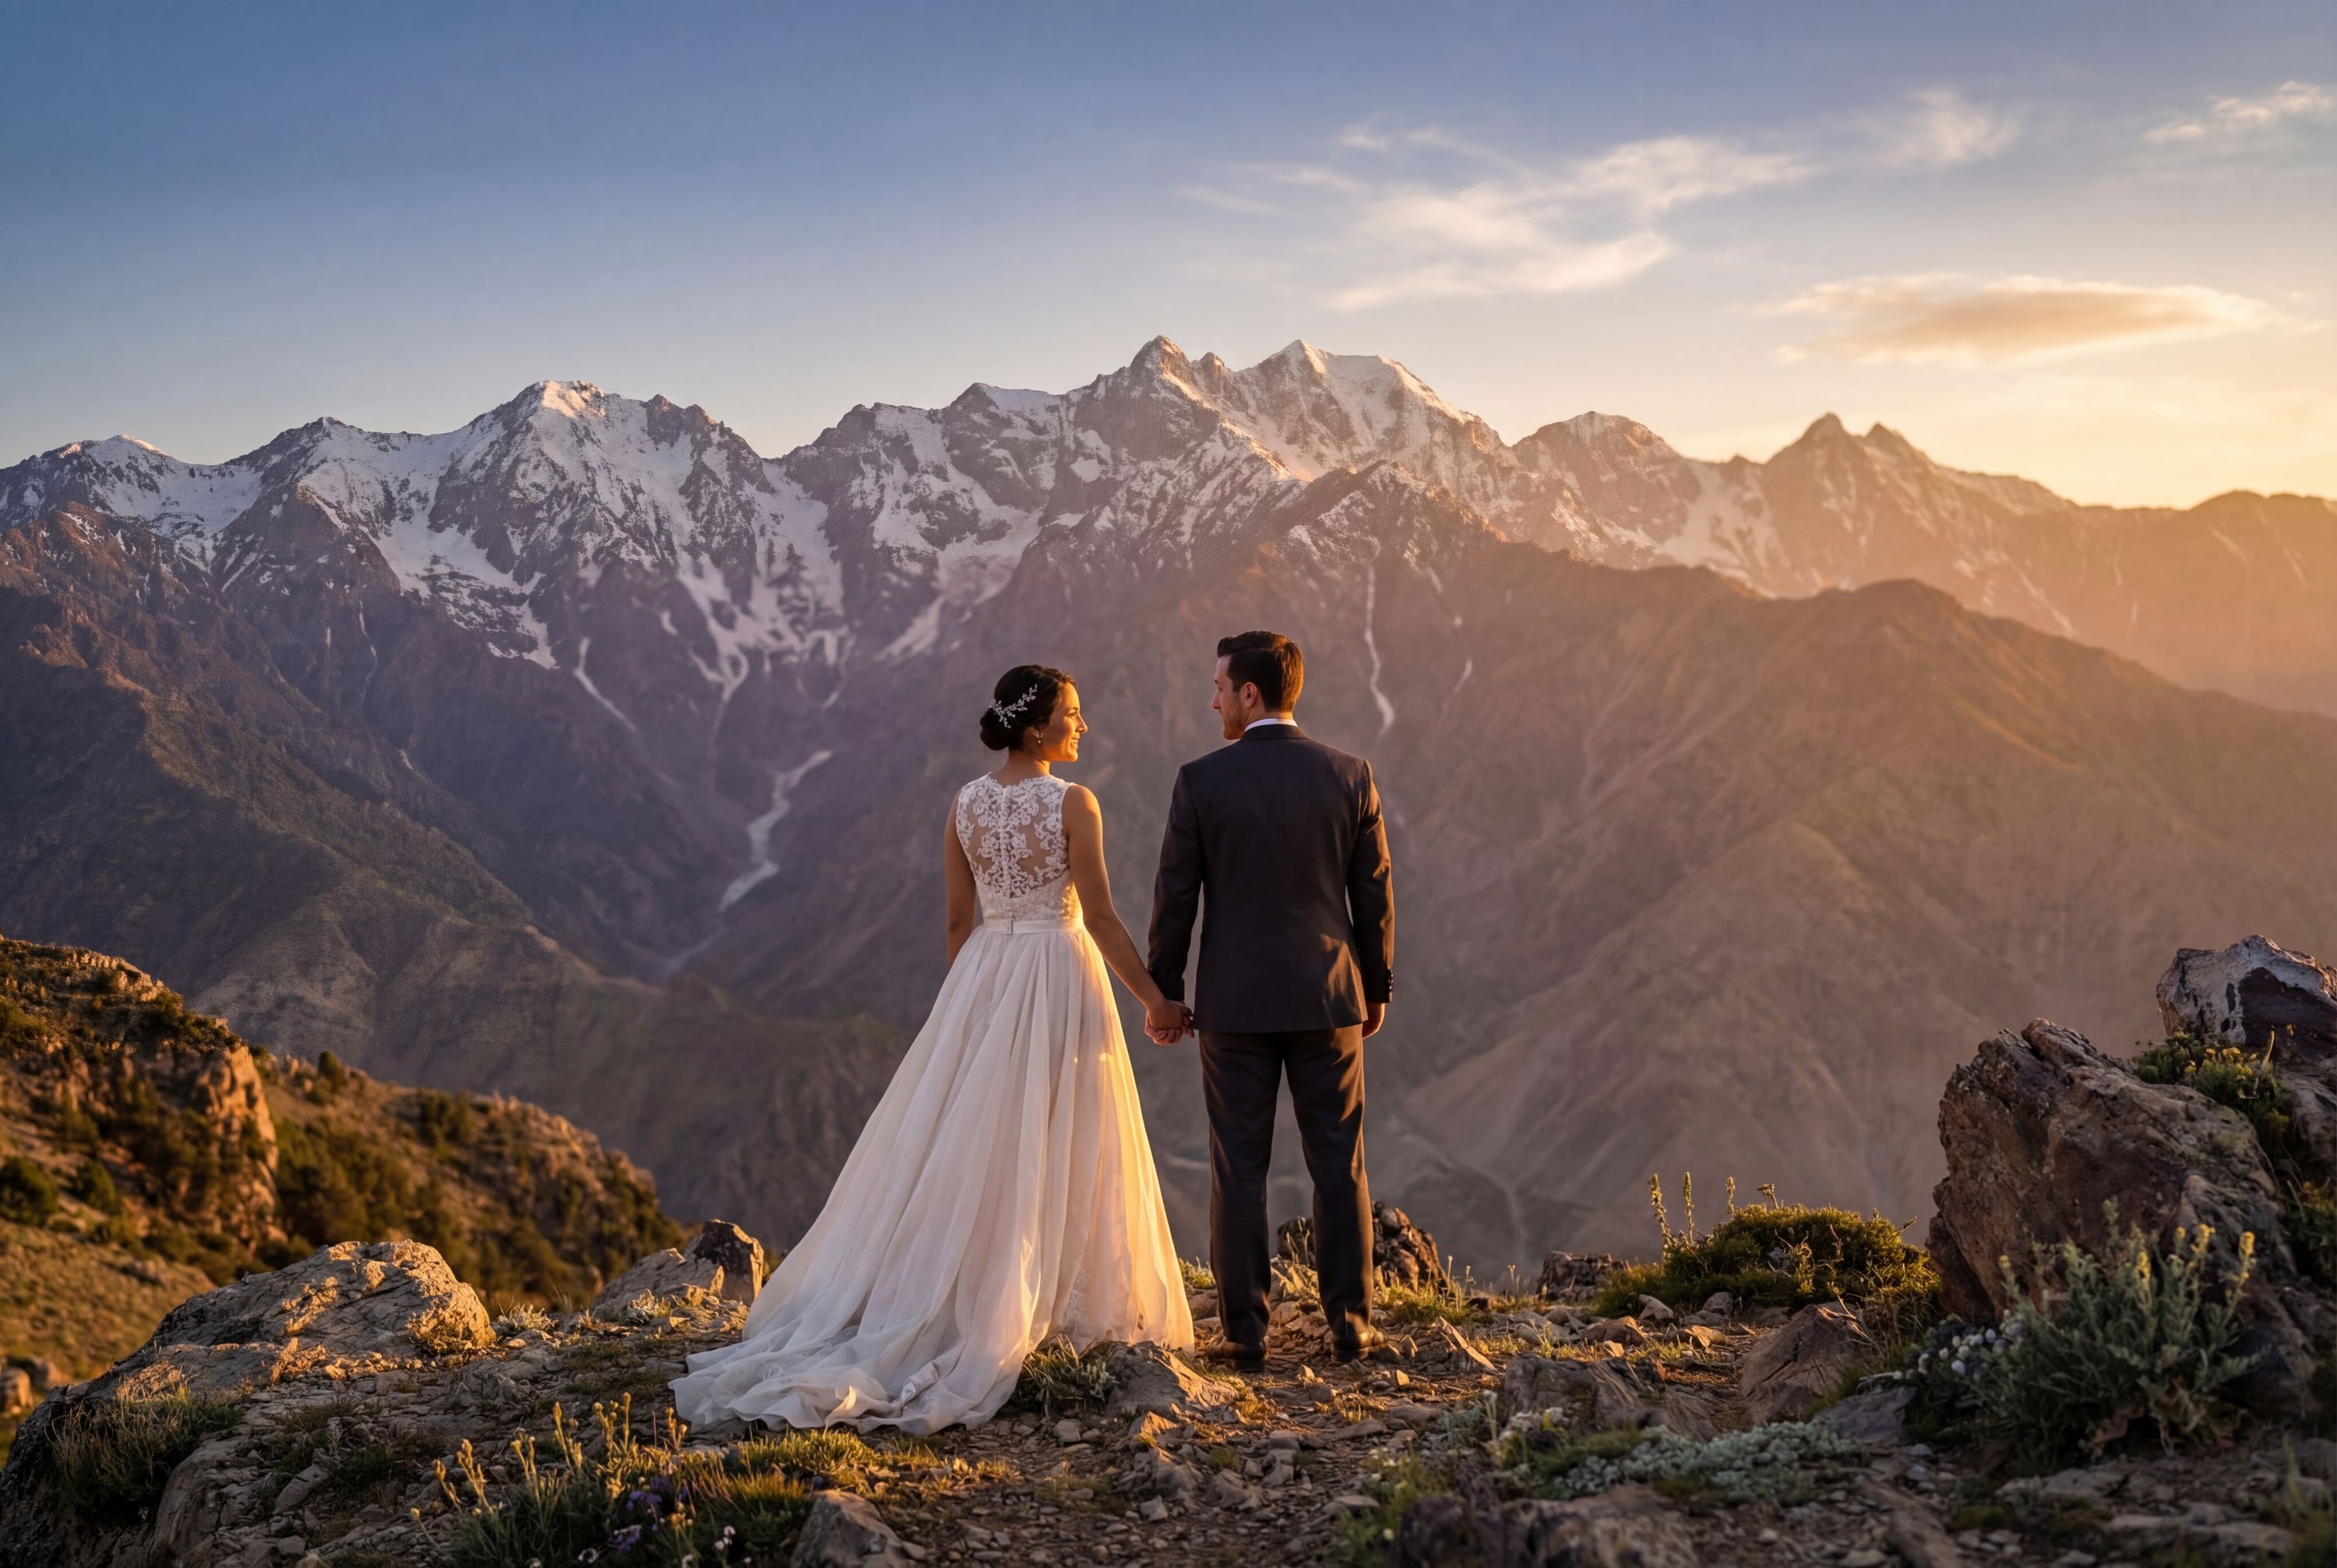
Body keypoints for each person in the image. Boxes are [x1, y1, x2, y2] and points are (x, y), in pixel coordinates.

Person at [671, 664, 1193, 1434]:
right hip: (1057, 968)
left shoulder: (965, 804)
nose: (1083, 725)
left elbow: (957, 920)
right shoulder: (1074, 804)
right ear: (1035, 727)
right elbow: (1106, 919)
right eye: (1073, 714)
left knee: (978, 1142)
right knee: (1064, 1133)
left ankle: (967, 1292)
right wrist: (1157, 1001)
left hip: (986, 972)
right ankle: (1046, 1300)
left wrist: (969, 1007)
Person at [1147, 629, 1395, 1371]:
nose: (1213, 697)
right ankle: (1351, 1324)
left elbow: (1175, 899)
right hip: (1330, 998)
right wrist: (1374, 988)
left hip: (1235, 1004)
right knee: (1340, 1162)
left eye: (1219, 686)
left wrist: (1168, 992)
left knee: (1238, 1167)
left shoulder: (1201, 781)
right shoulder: (1351, 774)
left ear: (1249, 692)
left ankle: (1245, 1332)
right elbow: (1374, 896)